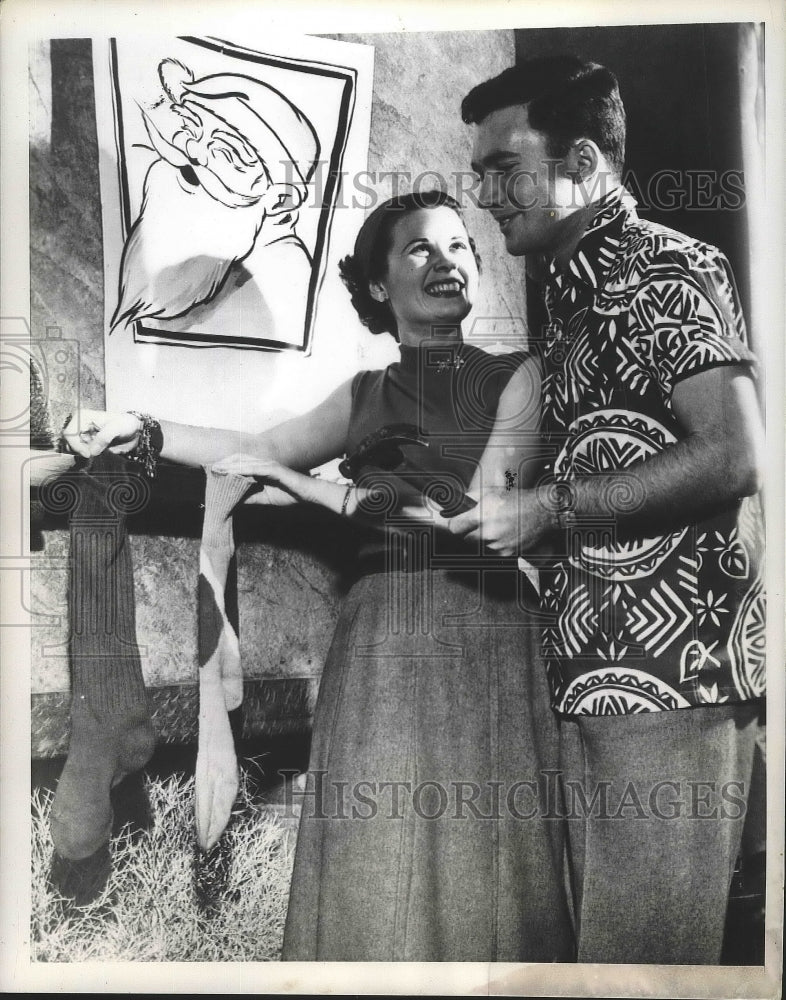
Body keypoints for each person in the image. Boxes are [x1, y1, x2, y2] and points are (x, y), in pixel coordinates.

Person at [63, 190, 575, 962]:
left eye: (461, 247)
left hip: (487, 633)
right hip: (378, 644)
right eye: (420, 249)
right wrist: (144, 427)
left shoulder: (518, 377)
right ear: (378, 286)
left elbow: (474, 514)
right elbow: (252, 443)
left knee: (490, 869)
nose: (448, 262)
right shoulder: (363, 394)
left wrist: (312, 487)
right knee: (379, 861)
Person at [450, 56, 766, 964]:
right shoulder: (571, 305)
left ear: (582, 163)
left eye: (503, 169)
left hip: (672, 684)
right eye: (479, 177)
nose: (487, 196)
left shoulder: (670, 266)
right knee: (610, 969)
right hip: (592, 681)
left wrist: (549, 508)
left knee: (645, 974)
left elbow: (736, 453)